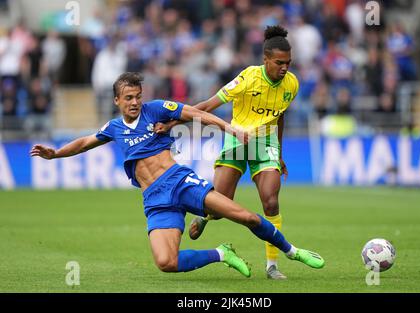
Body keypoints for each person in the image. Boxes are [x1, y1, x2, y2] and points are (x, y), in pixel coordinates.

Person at [30, 72, 325, 278]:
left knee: (246, 217)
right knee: (166, 262)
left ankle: (290, 251)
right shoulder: (113, 128)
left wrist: (228, 127)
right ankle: (222, 254)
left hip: (180, 182)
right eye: (129, 98)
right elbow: (84, 142)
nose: (135, 102)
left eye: (137, 96)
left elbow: (197, 114)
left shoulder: (156, 109)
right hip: (155, 199)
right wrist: (56, 154)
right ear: (117, 101)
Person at [156, 25, 304, 279]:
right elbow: (207, 106)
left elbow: (280, 117)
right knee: (220, 204)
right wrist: (174, 123)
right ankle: (205, 218)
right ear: (265, 59)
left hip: (264, 144)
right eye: (279, 62)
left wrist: (278, 152)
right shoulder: (247, 78)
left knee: (270, 200)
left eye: (288, 62)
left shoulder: (292, 84)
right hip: (236, 141)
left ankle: (272, 266)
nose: (284, 67)